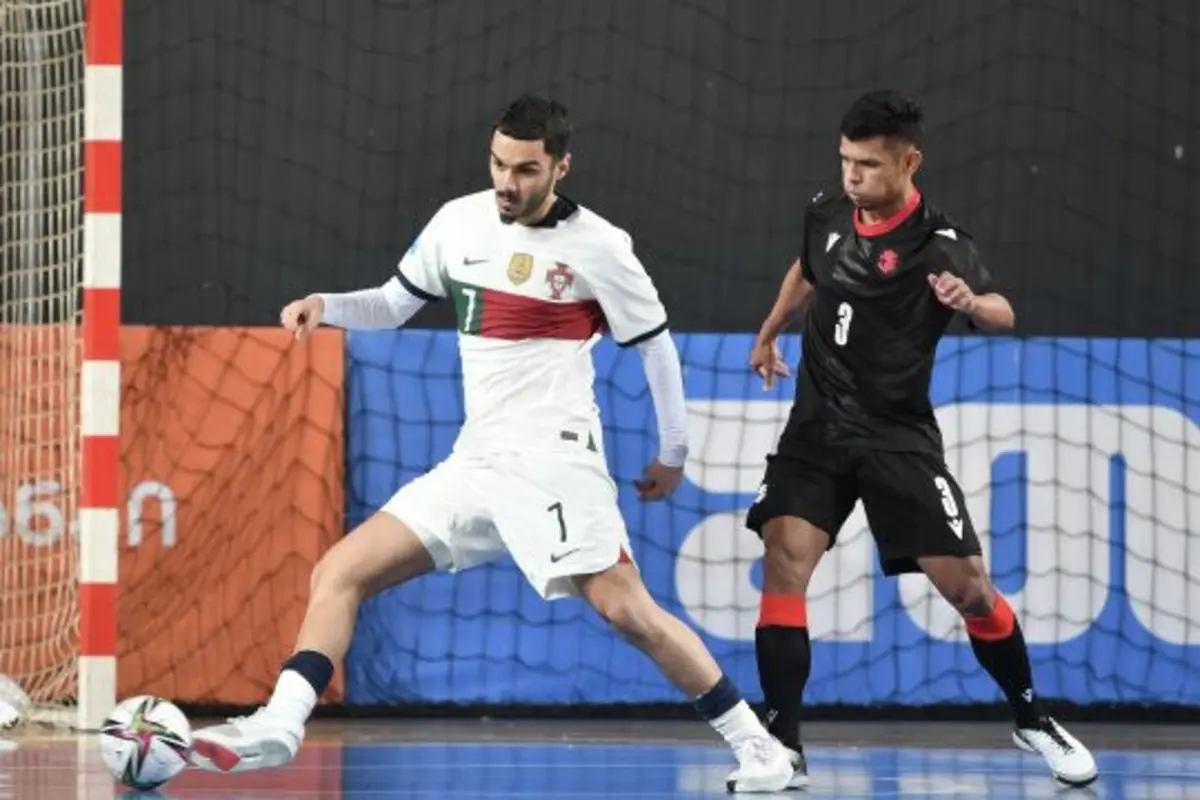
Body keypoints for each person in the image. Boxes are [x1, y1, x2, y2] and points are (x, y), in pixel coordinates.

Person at [188, 94, 795, 794]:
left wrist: (675, 453)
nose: (508, 182)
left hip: (555, 458)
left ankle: (760, 748)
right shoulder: (458, 222)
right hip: (476, 460)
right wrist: (328, 306)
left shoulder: (601, 246)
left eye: (526, 170)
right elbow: (392, 303)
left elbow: (655, 349)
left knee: (626, 611)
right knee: (338, 572)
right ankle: (279, 724)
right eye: (499, 164)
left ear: (561, 167)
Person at [745, 90, 1098, 789]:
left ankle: (1032, 718)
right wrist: (770, 330)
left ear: (910, 161)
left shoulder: (941, 244)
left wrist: (971, 303)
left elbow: (1002, 310)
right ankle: (782, 747)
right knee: (784, 561)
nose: (853, 177)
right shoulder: (826, 212)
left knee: (970, 591)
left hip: (896, 438)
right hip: (815, 430)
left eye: (869, 165)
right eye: (846, 161)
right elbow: (808, 269)